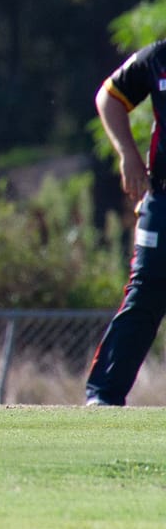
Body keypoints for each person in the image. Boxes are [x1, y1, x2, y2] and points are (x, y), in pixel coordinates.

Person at [84, 41, 166, 405]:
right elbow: (109, 97)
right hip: (164, 199)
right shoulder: (158, 57)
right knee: (145, 294)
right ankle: (103, 397)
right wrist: (128, 156)